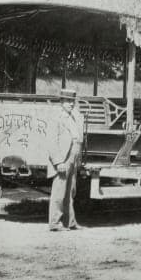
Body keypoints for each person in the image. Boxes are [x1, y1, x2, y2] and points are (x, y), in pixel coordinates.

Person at [48, 89, 85, 231]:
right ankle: (54, 223)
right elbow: (52, 142)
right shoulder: (56, 117)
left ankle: (70, 222)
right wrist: (58, 162)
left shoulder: (73, 116)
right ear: (61, 102)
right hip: (63, 158)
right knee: (59, 191)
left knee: (71, 191)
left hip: (73, 156)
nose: (71, 104)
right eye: (68, 101)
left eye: (72, 101)